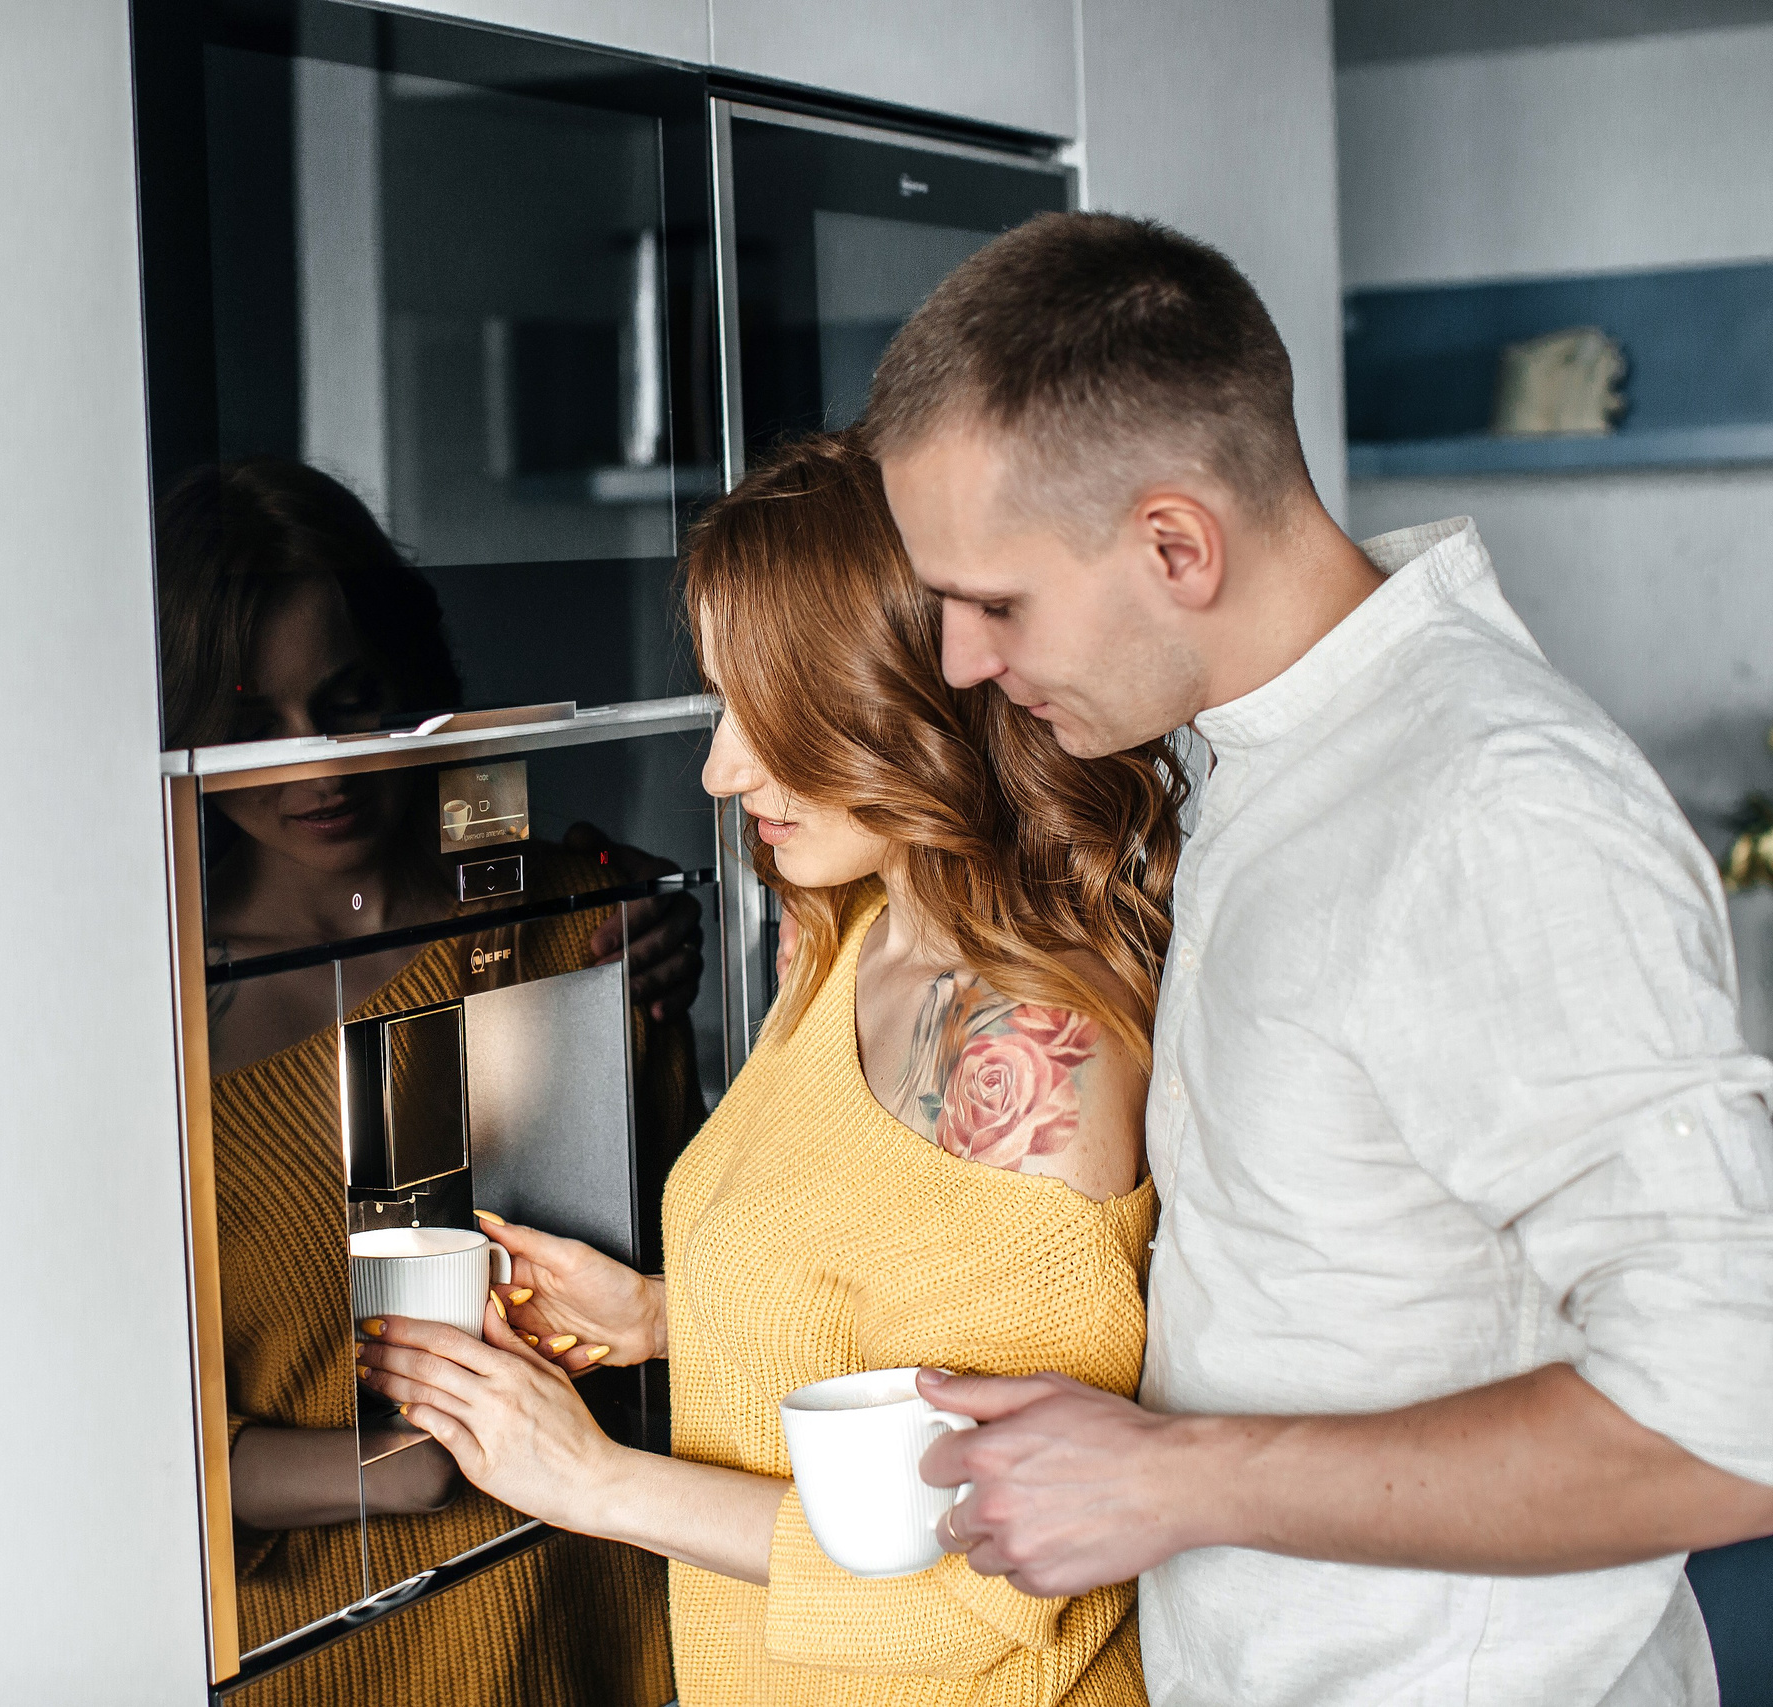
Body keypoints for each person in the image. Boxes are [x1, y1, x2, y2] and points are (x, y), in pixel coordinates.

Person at [859, 211, 1773, 1705]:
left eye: (995, 602)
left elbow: (1732, 1418)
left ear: (1176, 543)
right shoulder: (1270, 753)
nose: (960, 657)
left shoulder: (1492, 808)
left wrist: (1172, 1478)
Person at [356, 432, 1187, 1706]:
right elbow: (882, 1315)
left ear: (913, 696)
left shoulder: (1026, 1049)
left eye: (773, 713)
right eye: (720, 704)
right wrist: (659, 1317)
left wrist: (590, 1481)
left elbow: (988, 1587)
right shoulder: (848, 936)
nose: (720, 768)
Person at [158, 457, 702, 1706]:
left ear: (407, 680)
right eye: (250, 725)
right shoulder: (152, 1017)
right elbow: (113, 1441)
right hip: (324, 1657)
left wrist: (640, 946)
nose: (317, 767)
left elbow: (696, 1280)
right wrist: (389, 1464)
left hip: (590, 1617)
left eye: (348, 702)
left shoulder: (571, 924)